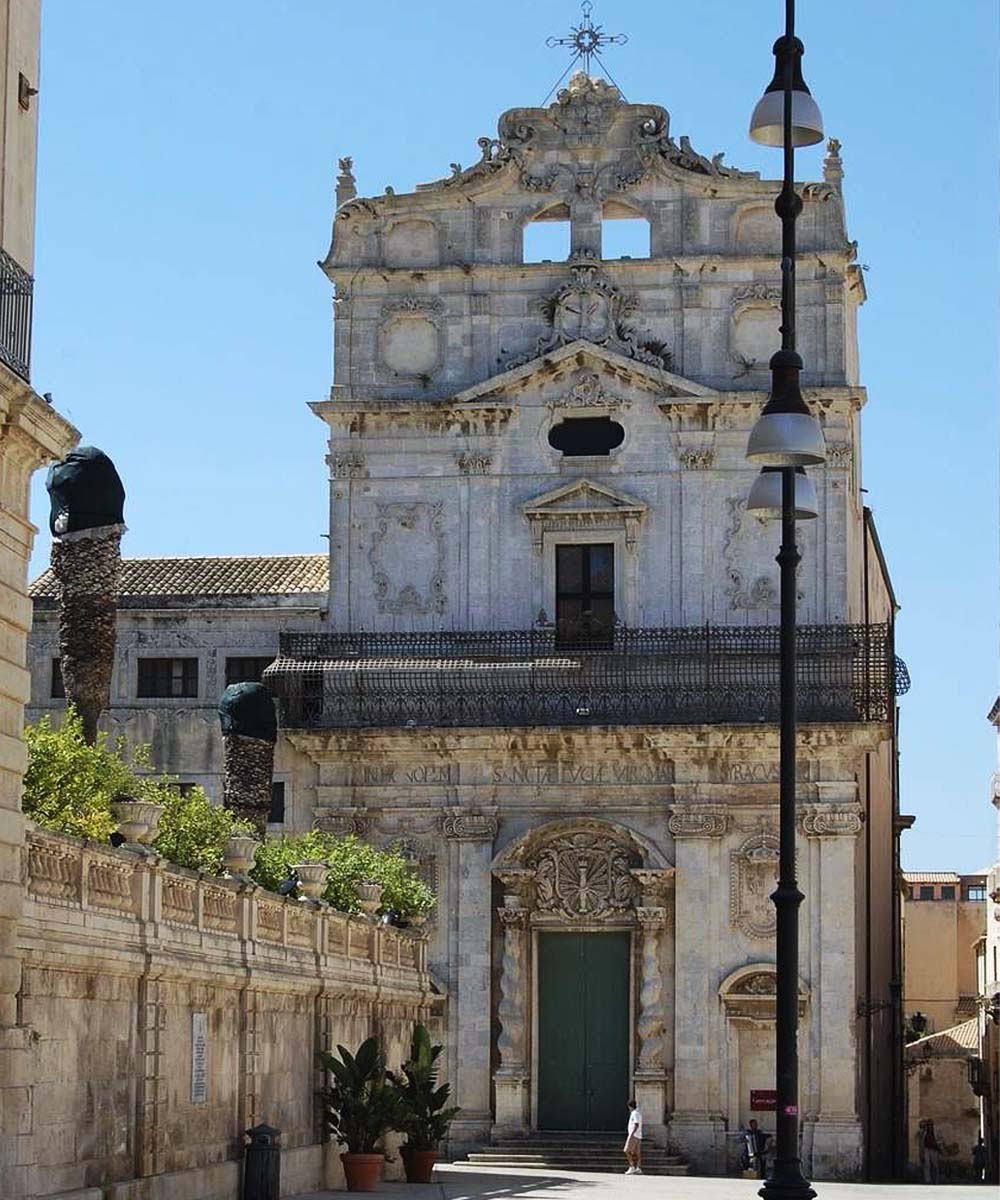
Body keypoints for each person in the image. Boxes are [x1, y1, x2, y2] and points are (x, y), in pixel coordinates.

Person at [918, 1119, 941, 1184]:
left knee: (935, 1166)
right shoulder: (923, 1132)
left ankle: (936, 1180)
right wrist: (921, 1152)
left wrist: (938, 1146)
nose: (930, 1126)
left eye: (931, 1125)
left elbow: (940, 1140)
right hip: (926, 1149)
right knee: (927, 1164)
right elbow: (921, 1142)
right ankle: (927, 1180)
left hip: (934, 1149)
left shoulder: (936, 1132)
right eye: (928, 1125)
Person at [623, 1099, 643, 1175]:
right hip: (638, 1135)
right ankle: (638, 1168)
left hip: (633, 1135)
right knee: (637, 1153)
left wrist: (631, 1135)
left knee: (626, 1150)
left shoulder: (634, 1114)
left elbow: (636, 1124)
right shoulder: (638, 1113)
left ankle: (632, 1167)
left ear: (630, 1106)